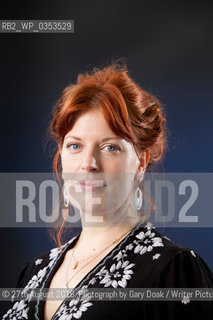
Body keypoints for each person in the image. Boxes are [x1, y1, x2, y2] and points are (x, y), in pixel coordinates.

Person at [2, 62, 213, 320]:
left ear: (141, 161)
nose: (88, 164)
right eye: (75, 146)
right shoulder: (33, 272)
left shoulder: (172, 271)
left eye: (110, 147)